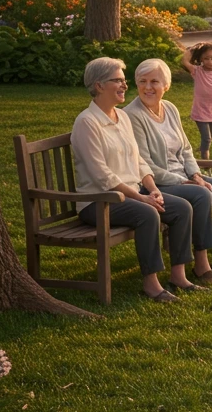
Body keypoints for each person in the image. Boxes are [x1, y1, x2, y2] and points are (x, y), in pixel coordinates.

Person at [71, 57, 197, 303]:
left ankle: (178, 276)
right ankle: (151, 284)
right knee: (147, 213)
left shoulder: (122, 117)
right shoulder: (87, 122)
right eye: (117, 80)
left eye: (123, 80)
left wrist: (152, 189)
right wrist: (141, 197)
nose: (124, 85)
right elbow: (102, 176)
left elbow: (139, 160)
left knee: (181, 207)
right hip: (98, 201)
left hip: (131, 194)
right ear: (98, 86)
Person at [126, 58, 212, 284]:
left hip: (183, 177)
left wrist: (195, 175)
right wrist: (184, 182)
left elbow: (186, 148)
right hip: (156, 182)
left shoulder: (169, 108)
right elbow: (143, 163)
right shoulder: (132, 115)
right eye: (142, 81)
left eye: (155, 81)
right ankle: (201, 265)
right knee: (201, 195)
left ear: (166, 85)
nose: (148, 87)